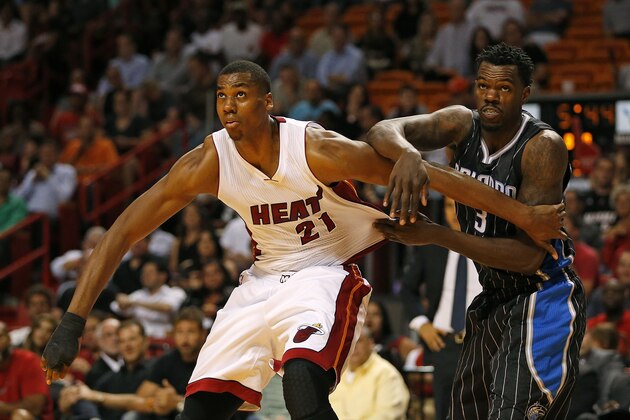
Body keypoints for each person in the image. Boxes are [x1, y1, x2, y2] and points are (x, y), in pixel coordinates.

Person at [42, 60, 565, 420]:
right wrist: (72, 321)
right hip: (262, 278)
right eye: (221, 97)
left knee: (302, 388)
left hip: (323, 270)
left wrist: (521, 212)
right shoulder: (207, 162)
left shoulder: (312, 146)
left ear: (268, 103)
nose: (228, 106)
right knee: (199, 409)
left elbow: (430, 175)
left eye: (240, 96)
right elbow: (121, 233)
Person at [366, 43, 585, 419]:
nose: (491, 96)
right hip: (493, 298)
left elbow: (528, 257)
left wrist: (438, 234)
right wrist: (408, 154)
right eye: (484, 86)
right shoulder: (460, 124)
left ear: (525, 94)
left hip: (541, 297)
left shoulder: (542, 147)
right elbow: (382, 130)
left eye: (503, 88)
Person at [328, 327, 410, 420]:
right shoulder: (334, 373)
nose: (353, 347)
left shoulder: (386, 374)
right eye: (348, 342)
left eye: (358, 341)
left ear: (370, 343)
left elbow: (387, 415)